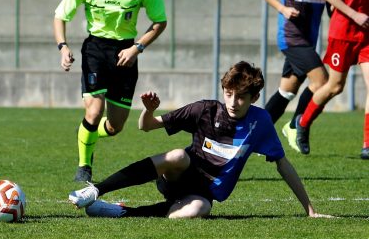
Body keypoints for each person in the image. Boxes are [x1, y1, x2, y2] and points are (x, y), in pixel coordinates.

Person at [68, 61, 330, 219]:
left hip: (204, 192)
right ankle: (96, 190)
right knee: (179, 156)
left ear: (254, 98)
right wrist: (148, 111)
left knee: (199, 211)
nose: (233, 102)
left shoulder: (259, 123)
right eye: (228, 94)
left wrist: (309, 209)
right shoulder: (205, 110)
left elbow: (283, 165)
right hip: (178, 175)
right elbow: (145, 127)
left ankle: (123, 211)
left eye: (240, 96)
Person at [53, 0, 167, 182]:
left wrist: (137, 47)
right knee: (94, 111)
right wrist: (63, 46)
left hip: (126, 52)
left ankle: (87, 132)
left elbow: (160, 21)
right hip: (95, 50)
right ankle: (84, 167)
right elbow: (60, 15)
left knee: (115, 127)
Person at [295, 0, 369, 159]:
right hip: (345, 31)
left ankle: (367, 144)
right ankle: (303, 123)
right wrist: (355, 15)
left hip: (367, 35)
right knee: (335, 86)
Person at [259, 0, 330, 151]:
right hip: (291, 39)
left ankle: (257, 136)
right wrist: (283, 8)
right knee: (322, 81)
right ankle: (296, 124)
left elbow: (332, 10)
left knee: (286, 91)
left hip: (308, 42)